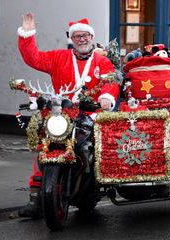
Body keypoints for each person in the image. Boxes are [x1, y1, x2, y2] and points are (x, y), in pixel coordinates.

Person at [17, 12, 119, 218]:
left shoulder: (102, 62)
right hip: (61, 114)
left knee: (98, 146)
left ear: (91, 37)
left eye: (85, 36)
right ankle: (37, 198)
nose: (81, 39)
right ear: (71, 39)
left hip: (91, 114)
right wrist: (27, 35)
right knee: (45, 146)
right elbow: (34, 58)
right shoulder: (58, 58)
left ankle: (98, 181)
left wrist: (107, 96)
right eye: (77, 36)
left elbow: (111, 82)